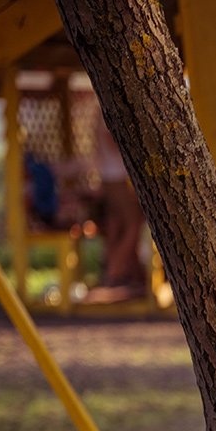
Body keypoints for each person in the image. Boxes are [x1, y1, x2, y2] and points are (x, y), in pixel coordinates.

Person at [92, 112, 148, 296]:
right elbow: (112, 142)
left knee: (117, 224)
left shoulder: (100, 112)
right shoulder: (107, 110)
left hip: (110, 176)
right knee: (133, 224)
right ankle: (115, 271)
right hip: (117, 176)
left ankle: (127, 272)